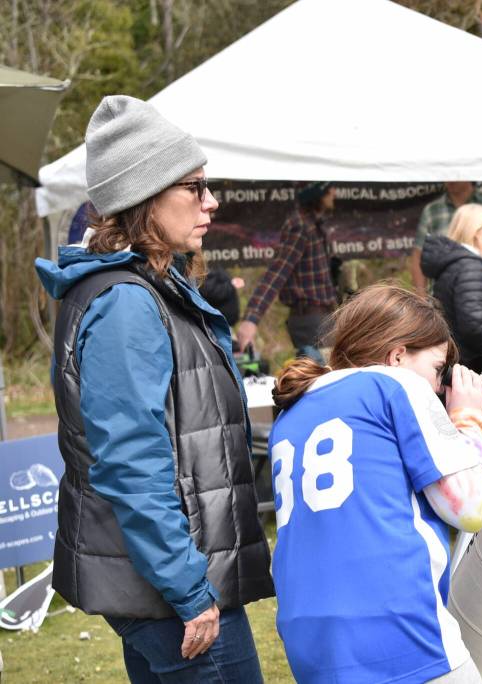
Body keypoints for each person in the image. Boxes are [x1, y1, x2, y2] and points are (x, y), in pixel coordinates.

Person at [35, 95, 273, 682]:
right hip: (172, 588)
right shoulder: (126, 303)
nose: (210, 200)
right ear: (145, 197)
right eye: (193, 187)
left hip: (164, 579)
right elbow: (131, 464)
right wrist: (190, 590)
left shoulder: (148, 287)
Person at [269, 283, 482, 683]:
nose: (440, 386)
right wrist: (468, 419)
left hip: (310, 639)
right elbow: (471, 508)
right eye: (438, 370)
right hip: (396, 624)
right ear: (397, 355)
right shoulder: (396, 383)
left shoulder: (292, 411)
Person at [236, 182, 337, 362]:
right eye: (329, 189)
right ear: (318, 194)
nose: (334, 193)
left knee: (333, 376)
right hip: (310, 321)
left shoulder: (315, 225)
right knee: (324, 379)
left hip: (322, 317)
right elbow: (276, 273)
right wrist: (251, 319)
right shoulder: (300, 225)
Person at [421, 203, 482, 361]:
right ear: (477, 233)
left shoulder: (457, 264)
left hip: (457, 361)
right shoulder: (471, 268)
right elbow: (473, 325)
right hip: (470, 367)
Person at [410, 182, 482, 306]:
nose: (450, 179)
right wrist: (423, 303)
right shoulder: (431, 211)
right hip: (443, 307)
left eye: (456, 173)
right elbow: (418, 258)